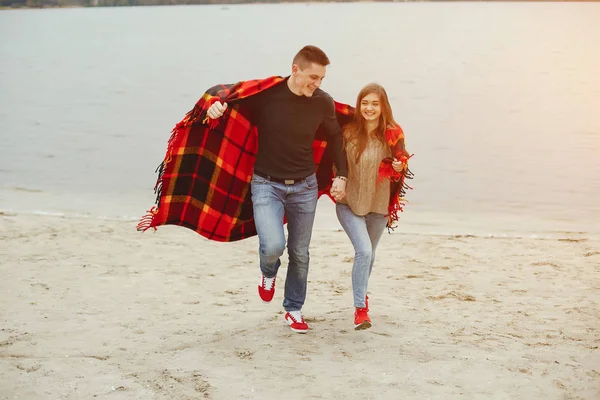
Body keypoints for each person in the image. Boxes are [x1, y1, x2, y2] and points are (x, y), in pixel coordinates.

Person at [206, 45, 348, 334]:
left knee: (300, 252)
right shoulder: (266, 96)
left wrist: (342, 175)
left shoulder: (322, 102)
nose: (317, 84)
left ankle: (293, 309)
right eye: (312, 77)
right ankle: (268, 271)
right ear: (295, 70)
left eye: (321, 79)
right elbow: (228, 101)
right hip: (266, 184)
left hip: (305, 187)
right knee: (272, 247)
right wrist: (215, 108)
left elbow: (336, 139)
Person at [330, 83, 411, 330]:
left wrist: (399, 168)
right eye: (365, 103)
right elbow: (336, 163)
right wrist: (336, 181)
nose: (369, 108)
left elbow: (399, 165)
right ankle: (360, 310)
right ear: (359, 105)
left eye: (375, 103)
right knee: (363, 252)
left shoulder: (392, 134)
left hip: (378, 205)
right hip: (349, 203)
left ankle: (361, 294)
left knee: (370, 254)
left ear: (383, 106)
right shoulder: (348, 132)